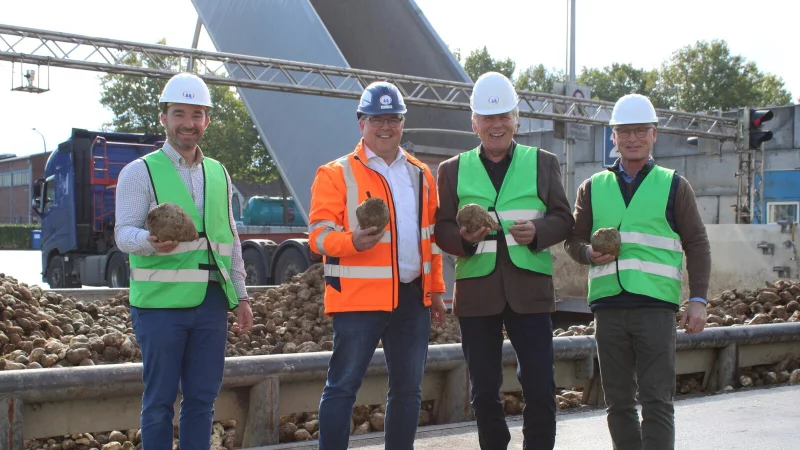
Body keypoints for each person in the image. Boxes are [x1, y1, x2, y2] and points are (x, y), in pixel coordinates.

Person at [433, 71, 574, 450]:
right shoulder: (451, 170)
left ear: (516, 119)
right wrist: (463, 239)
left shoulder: (543, 162)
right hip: (478, 294)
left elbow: (564, 218)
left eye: (503, 117)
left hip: (530, 292)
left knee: (541, 386)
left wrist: (540, 232)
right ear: (474, 123)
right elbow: (441, 228)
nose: (497, 126)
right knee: (483, 390)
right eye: (488, 118)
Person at [114, 72, 254, 450]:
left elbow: (229, 238)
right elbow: (122, 233)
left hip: (209, 303)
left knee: (202, 401)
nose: (188, 124)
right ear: (163, 118)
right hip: (159, 306)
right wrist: (149, 241)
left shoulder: (218, 173)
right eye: (179, 114)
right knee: (159, 402)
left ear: (207, 119)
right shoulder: (139, 172)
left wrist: (241, 296)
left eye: (196, 115)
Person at [564, 93, 711, 450]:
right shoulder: (592, 187)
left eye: (640, 131)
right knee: (618, 402)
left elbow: (697, 243)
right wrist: (586, 253)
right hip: (608, 308)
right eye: (624, 131)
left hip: (656, 308)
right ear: (613, 137)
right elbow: (572, 240)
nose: (632, 138)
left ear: (654, 134)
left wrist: (698, 300)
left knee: (657, 399)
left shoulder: (674, 185)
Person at [308, 81, 446, 450]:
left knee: (407, 390)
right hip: (357, 299)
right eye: (377, 119)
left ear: (402, 123)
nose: (386, 127)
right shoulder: (335, 173)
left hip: (412, 298)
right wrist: (351, 241)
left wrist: (435, 292)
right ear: (361, 124)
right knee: (342, 387)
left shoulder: (420, 174)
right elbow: (318, 236)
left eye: (393, 119)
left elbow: (428, 238)